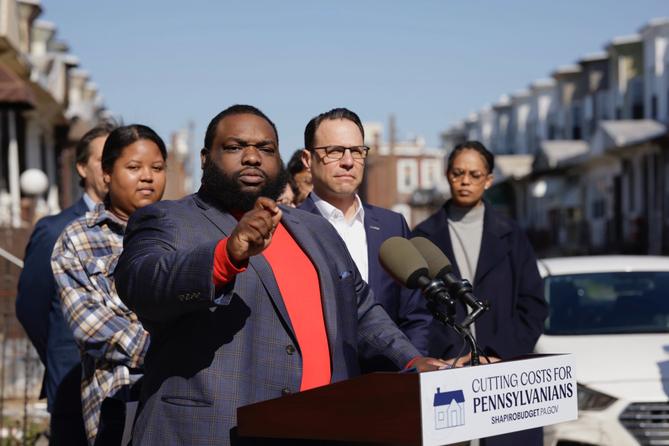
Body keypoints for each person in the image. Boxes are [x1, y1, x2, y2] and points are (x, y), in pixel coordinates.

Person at [114, 105, 447, 445]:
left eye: (266, 149)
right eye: (235, 147)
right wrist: (227, 255)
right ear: (204, 158)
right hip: (211, 431)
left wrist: (412, 360)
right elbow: (140, 281)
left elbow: (361, 309)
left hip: (323, 425)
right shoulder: (169, 218)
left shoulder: (315, 229)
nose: (252, 157)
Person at [412, 140, 548, 446]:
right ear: (447, 175)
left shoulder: (512, 235)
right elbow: (415, 311)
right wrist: (448, 357)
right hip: (446, 375)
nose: (465, 181)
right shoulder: (422, 237)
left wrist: (498, 353)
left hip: (504, 376)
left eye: (475, 175)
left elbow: (533, 305)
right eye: (458, 173)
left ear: (488, 180)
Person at [51, 125, 168, 445]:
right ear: (106, 173)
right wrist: (166, 348)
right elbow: (91, 326)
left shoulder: (181, 232)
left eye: (157, 168)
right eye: (134, 167)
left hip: (177, 400)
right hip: (116, 402)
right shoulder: (78, 239)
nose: (147, 177)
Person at [299, 107, 433, 369]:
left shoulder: (391, 226)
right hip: (321, 392)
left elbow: (416, 314)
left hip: (391, 385)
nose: (348, 161)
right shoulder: (291, 229)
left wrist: (412, 369)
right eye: (334, 151)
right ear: (307, 159)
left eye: (357, 151)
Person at [16, 122, 115, 446]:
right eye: (104, 159)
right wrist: (64, 353)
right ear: (82, 167)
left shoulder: (141, 228)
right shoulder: (56, 230)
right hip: (73, 387)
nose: (111, 168)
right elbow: (31, 308)